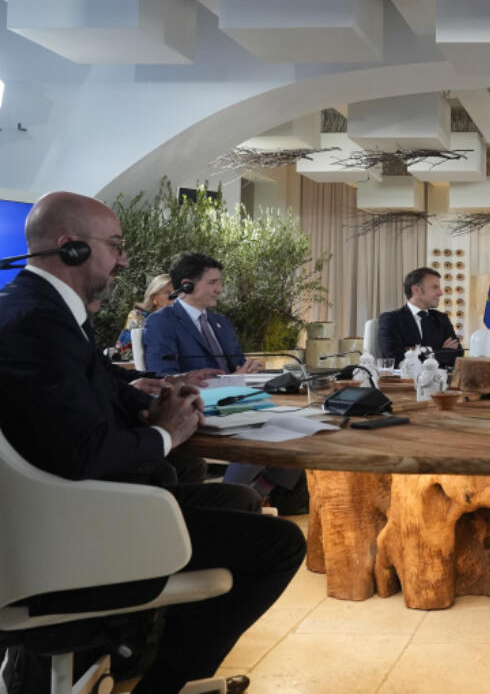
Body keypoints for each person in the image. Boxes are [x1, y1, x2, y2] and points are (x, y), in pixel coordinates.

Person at [0, 192, 305, 694]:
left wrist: (149, 395)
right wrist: (166, 432)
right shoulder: (37, 324)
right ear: (71, 248)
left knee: (239, 498)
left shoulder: (37, 309)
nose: (123, 260)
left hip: (66, 508)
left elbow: (92, 383)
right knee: (282, 545)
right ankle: (162, 684)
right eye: (115, 246)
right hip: (67, 532)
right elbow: (84, 454)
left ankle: (145, 649)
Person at [143, 253, 263, 375]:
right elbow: (165, 379)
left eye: (219, 282)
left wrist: (250, 368)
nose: (219, 289)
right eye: (212, 282)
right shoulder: (161, 322)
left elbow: (240, 366)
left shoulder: (221, 322)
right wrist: (233, 380)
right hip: (200, 394)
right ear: (187, 286)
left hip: (245, 392)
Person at [379, 267, 465, 368]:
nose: (440, 293)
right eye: (434, 287)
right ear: (416, 290)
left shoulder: (441, 318)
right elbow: (395, 359)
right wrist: (441, 350)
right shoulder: (391, 319)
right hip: (406, 382)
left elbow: (457, 354)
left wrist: (415, 351)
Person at [114, 273, 173, 358]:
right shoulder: (138, 316)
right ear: (154, 298)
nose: (174, 297)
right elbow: (124, 350)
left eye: (176, 293)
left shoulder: (180, 318)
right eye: (168, 293)